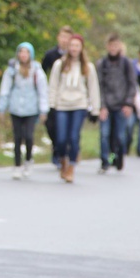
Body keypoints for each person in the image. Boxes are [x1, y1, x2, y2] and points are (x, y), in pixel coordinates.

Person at [48, 34, 100, 183]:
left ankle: (71, 166)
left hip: (79, 105)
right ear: (68, 47)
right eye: (72, 45)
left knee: (74, 137)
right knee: (61, 138)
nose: (74, 48)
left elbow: (93, 88)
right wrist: (52, 105)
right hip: (62, 105)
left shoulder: (87, 66)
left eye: (77, 46)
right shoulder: (60, 64)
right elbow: (53, 86)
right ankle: (63, 159)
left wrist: (95, 110)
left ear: (81, 48)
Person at [0, 42, 49, 179]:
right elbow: (5, 89)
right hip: (15, 107)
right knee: (17, 137)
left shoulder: (37, 71)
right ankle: (17, 165)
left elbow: (43, 91)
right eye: (21, 52)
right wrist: (1, 108)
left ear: (30, 55)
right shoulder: (12, 70)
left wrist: (44, 110)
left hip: (31, 109)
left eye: (26, 52)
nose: (23, 55)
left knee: (29, 136)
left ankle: (28, 160)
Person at [96, 33, 137, 173]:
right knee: (104, 134)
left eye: (116, 45)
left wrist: (128, 103)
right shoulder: (102, 64)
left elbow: (132, 84)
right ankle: (104, 162)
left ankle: (118, 157)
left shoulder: (126, 63)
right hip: (106, 105)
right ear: (107, 47)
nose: (113, 48)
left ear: (120, 46)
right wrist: (101, 106)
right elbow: (99, 86)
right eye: (110, 45)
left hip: (121, 105)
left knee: (120, 136)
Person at [41, 26, 74, 168]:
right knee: (51, 125)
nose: (64, 40)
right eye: (62, 37)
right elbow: (42, 72)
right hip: (54, 95)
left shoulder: (76, 55)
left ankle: (65, 153)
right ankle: (56, 148)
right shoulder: (50, 55)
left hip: (71, 97)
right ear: (58, 38)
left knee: (67, 128)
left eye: (67, 37)